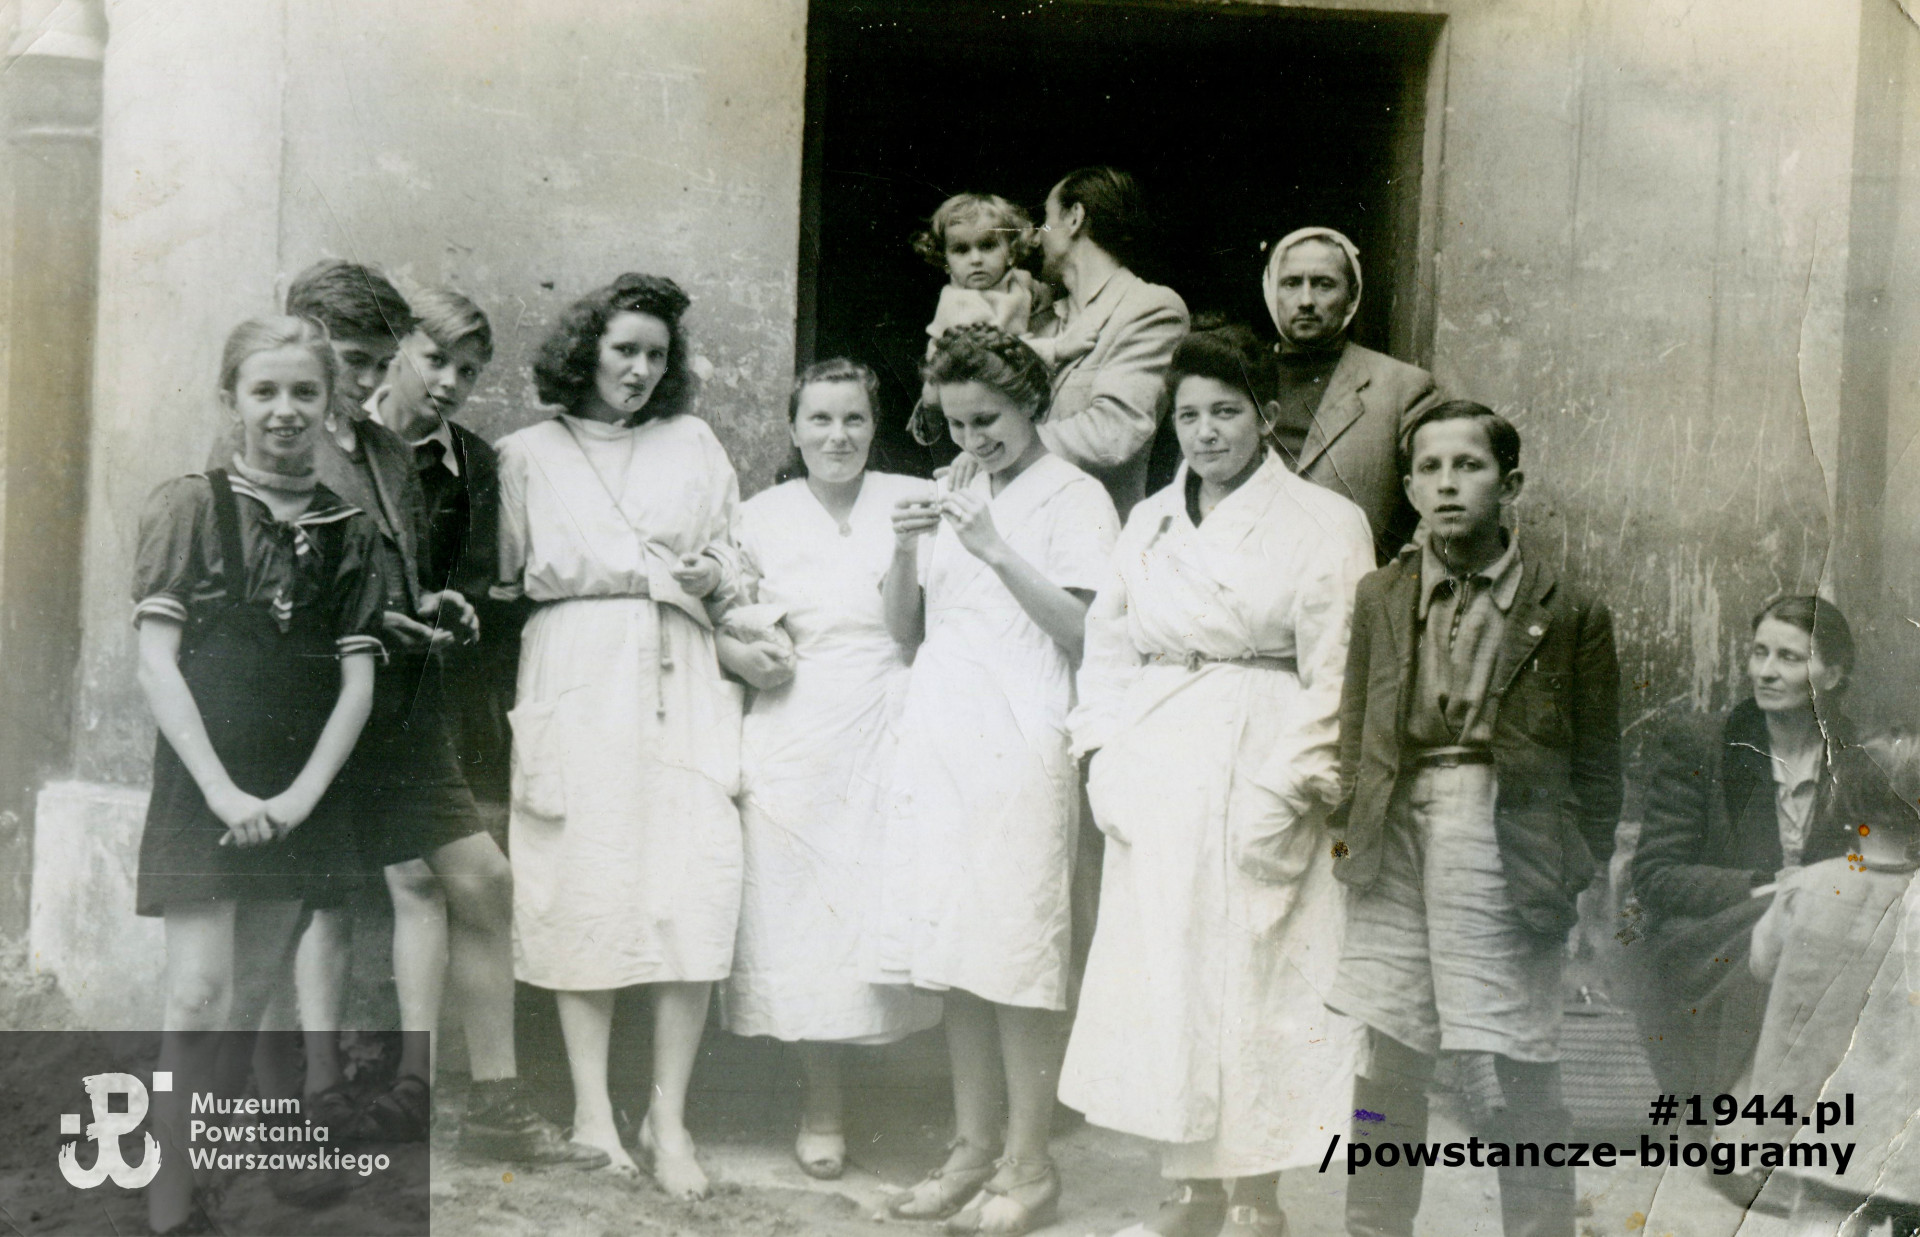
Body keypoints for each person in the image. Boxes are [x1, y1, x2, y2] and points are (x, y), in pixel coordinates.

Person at [265, 265, 591, 1168]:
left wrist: (426, 611)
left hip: (404, 712)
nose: (371, 380)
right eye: (361, 361)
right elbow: (274, 596)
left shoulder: (380, 449)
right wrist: (375, 625)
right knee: (312, 898)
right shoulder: (280, 443)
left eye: (374, 362)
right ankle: (314, 1095)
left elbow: (389, 577)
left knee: (484, 884)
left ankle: (492, 1104)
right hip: (316, 718)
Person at [1059, 325, 1374, 1237]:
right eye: (1188, 415)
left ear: (1266, 417)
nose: (1205, 432)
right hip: (1160, 754)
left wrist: (1290, 789)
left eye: (1226, 411)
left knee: (1259, 976)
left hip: (1260, 751)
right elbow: (1107, 647)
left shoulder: (1324, 521)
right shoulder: (1150, 520)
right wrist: (1103, 756)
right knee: (1168, 976)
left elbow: (1338, 671)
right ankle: (1190, 1191)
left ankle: (1255, 1197)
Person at [1326, 400, 1622, 1237]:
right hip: (1394, 831)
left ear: (1511, 483)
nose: (1448, 484)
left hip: (1502, 828)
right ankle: (1373, 1224)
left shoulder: (1568, 610)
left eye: (1470, 466)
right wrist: (1354, 832)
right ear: (1411, 486)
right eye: (1429, 468)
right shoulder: (1381, 594)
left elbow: (1600, 768)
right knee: (1389, 1041)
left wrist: (1573, 865)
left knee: (1517, 1045)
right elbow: (1357, 728)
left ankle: (1538, 1229)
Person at [494, 272, 746, 1198]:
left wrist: (709, 570)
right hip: (575, 665)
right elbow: (509, 574)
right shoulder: (526, 453)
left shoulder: (694, 442)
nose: (639, 370)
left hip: (681, 665)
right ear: (584, 352)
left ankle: (667, 1114)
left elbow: (736, 552)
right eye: (623, 351)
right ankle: (592, 1110)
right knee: (582, 882)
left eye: (655, 354)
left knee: (692, 882)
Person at [134, 316, 383, 1235]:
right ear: (231, 400)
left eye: (305, 392)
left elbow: (356, 684)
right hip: (207, 783)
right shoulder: (190, 506)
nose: (285, 411)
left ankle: (208, 1184)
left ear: (331, 402)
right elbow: (159, 666)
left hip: (297, 792)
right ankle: (169, 1202)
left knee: (245, 1001)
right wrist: (225, 794)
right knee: (197, 994)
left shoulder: (348, 533)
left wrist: (295, 802)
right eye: (265, 391)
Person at [873, 324, 1119, 1236]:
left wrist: (994, 547)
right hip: (942, 725)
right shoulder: (951, 487)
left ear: (1033, 404)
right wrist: (905, 550)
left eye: (989, 421)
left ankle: (1030, 1160)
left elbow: (1086, 631)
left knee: (1016, 951)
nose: (973, 440)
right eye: (957, 423)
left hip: (1024, 730)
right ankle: (972, 1149)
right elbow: (904, 630)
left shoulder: (1077, 498)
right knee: (955, 952)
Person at [718, 359, 942, 1180]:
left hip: (891, 711)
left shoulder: (908, 501)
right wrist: (752, 649)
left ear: (874, 424)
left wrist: (913, 551)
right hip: (796, 720)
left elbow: (915, 628)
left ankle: (908, 1098)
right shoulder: (758, 516)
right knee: (803, 910)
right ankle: (823, 1102)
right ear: (793, 428)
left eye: (853, 419)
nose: (837, 436)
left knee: (885, 900)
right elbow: (734, 620)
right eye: (820, 420)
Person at [1633, 597, 1909, 1109]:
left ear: (1833, 673)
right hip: (1713, 939)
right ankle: (1743, 1125)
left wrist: (1815, 896)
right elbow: (1654, 874)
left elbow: (1871, 860)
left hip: (1818, 933)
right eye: (1759, 653)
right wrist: (1766, 887)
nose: (1766, 671)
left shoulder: (1857, 756)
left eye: (1789, 658)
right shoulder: (1704, 744)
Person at [1260, 227, 1440, 564]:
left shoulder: (1402, 388)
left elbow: (1438, 504)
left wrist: (1393, 588)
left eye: (1324, 284)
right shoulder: (1243, 379)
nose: (1306, 300)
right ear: (1270, 289)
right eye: (1291, 283)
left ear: (1352, 295)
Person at [1027, 166, 1188, 520]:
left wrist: (1007, 448)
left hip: (1094, 536)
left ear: (1074, 217)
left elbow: (1113, 432)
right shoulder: (1039, 318)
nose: (1036, 237)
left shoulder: (1150, 307)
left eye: (1045, 219)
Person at [906, 193, 1082, 445]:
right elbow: (993, 353)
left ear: (1010, 251)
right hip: (960, 367)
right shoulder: (961, 303)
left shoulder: (1017, 280)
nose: (976, 259)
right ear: (946, 261)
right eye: (961, 250)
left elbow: (1035, 292)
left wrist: (1047, 299)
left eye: (988, 245)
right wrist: (1056, 348)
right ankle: (929, 411)